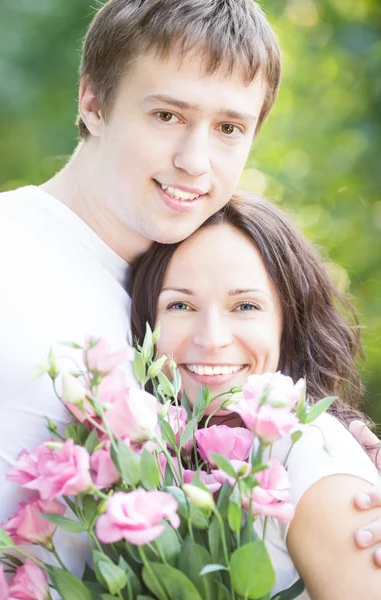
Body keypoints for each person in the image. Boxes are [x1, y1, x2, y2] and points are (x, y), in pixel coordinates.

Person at [0, 0, 380, 573]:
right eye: (167, 115)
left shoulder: (193, 311)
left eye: (228, 128)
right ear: (93, 102)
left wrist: (340, 475)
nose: (195, 161)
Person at [130, 193, 381, 598]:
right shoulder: (149, 457)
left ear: (289, 321)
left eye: (245, 306)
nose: (212, 339)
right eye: (179, 305)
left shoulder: (313, 451)